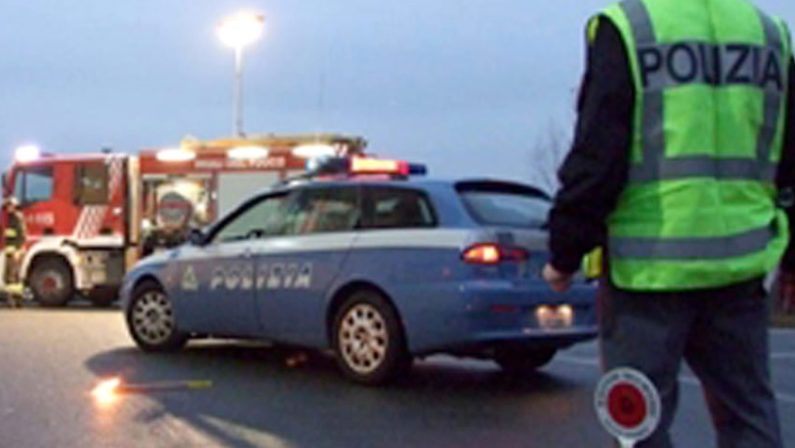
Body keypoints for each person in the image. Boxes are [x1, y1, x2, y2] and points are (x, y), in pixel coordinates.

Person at [543, 0, 793, 446]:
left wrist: (565, 250)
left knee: (638, 422)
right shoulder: (768, 34)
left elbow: (599, 155)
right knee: (749, 416)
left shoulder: (630, 28)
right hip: (740, 268)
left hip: (649, 272)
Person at [3, 197, 27, 308]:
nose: (8, 208)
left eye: (9, 206)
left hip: (15, 251)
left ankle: (12, 301)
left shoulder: (16, 218)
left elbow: (22, 235)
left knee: (10, 277)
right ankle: (18, 300)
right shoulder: (11, 217)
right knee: (15, 277)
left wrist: (18, 251)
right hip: (11, 251)